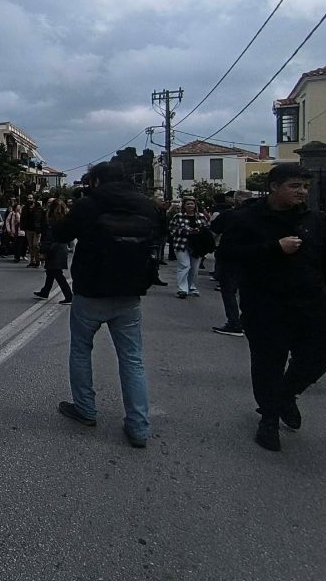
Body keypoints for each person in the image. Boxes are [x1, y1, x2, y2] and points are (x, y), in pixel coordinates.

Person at [218, 164, 326, 452]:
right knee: (268, 365)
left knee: (320, 357)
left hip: (311, 304)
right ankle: (268, 420)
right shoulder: (248, 220)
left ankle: (285, 396)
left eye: (304, 187)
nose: (301, 192)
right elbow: (228, 256)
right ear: (274, 186)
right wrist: (273, 248)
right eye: (294, 186)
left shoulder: (315, 220)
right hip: (266, 306)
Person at [53, 163, 159, 449]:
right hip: (129, 293)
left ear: (97, 180)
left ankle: (85, 409)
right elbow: (158, 240)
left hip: (90, 290)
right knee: (132, 359)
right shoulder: (147, 206)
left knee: (80, 350)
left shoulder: (89, 204)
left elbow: (61, 234)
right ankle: (138, 426)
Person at [208, 191, 253, 336]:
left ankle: (234, 323)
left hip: (230, 256)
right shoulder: (260, 215)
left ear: (235, 200)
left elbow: (213, 232)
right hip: (255, 257)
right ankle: (249, 321)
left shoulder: (229, 215)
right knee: (250, 291)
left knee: (229, 291)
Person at [169, 196, 210, 298]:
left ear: (195, 205)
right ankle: (182, 289)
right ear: (184, 206)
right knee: (184, 265)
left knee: (194, 268)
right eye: (188, 204)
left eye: (192, 204)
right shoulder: (178, 216)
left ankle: (191, 287)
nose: (190, 206)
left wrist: (199, 231)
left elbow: (206, 229)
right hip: (181, 244)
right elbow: (172, 229)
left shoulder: (200, 216)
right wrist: (186, 231)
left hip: (197, 245)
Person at [33, 198, 73, 304]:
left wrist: (43, 249)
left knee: (57, 273)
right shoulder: (65, 219)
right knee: (51, 271)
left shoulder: (53, 221)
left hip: (54, 248)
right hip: (61, 247)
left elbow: (49, 237)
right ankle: (45, 291)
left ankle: (69, 296)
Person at [21, 194, 44, 268]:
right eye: (28, 198)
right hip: (28, 229)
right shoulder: (25, 208)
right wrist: (23, 227)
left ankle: (38, 260)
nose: (29, 200)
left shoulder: (39, 208)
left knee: (35, 245)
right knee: (30, 246)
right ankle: (32, 261)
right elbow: (22, 218)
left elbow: (42, 219)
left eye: (31, 198)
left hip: (37, 229)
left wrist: (41, 227)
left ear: (34, 199)